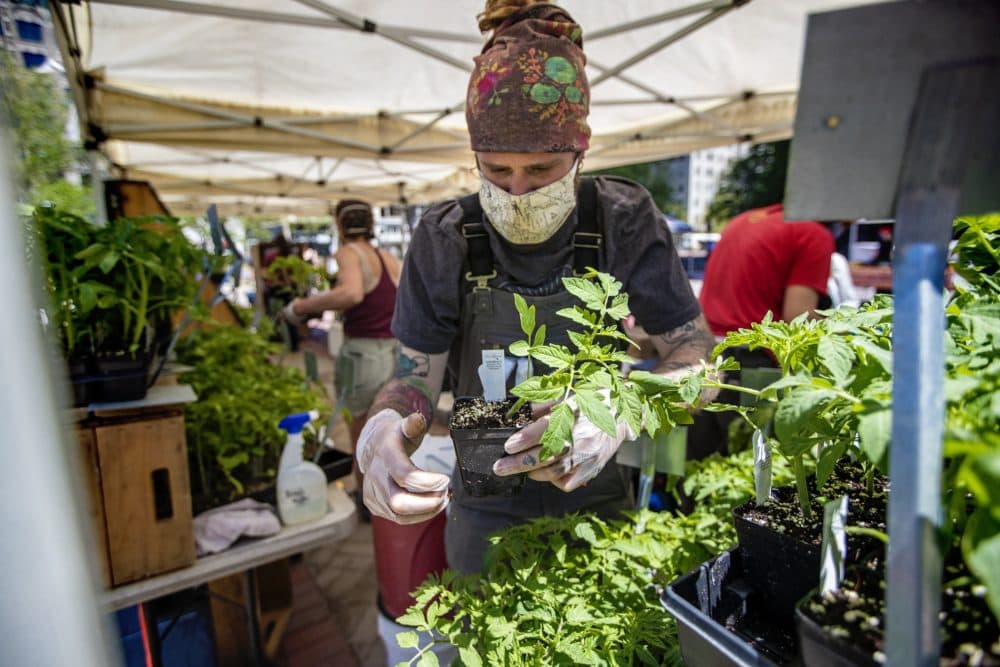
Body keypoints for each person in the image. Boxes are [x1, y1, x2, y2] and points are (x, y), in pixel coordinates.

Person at [353, 0, 716, 574]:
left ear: (580, 150)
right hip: (482, 505)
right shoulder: (444, 236)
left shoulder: (622, 219)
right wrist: (382, 430)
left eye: (542, 170)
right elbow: (412, 378)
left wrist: (620, 414)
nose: (518, 190)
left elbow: (699, 361)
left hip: (595, 496)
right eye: (497, 170)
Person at [689, 202, 835, 457]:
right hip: (752, 368)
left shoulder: (743, 219)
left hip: (702, 357)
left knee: (701, 466)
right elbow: (799, 320)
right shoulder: (813, 234)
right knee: (753, 474)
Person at [283, 200, 401, 500]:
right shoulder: (388, 257)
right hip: (393, 351)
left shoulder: (349, 253)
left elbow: (351, 293)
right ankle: (389, 490)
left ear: (340, 224)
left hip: (363, 353)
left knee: (361, 429)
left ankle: (366, 499)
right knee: (390, 427)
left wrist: (301, 307)